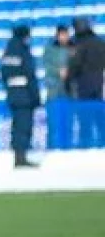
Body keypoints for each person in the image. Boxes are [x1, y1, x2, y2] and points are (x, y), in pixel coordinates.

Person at [0, 24, 41, 168]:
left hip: (12, 95)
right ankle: (21, 158)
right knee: (24, 126)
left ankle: (18, 155)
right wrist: (36, 97)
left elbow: (4, 74)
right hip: (25, 96)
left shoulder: (8, 51)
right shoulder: (23, 51)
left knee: (17, 126)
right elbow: (30, 74)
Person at [67, 16, 105, 148]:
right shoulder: (100, 42)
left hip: (83, 84)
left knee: (85, 119)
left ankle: (86, 145)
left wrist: (68, 78)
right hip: (99, 83)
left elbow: (75, 64)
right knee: (100, 117)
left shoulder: (78, 43)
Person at [41, 24, 70, 104]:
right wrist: (58, 71)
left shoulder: (72, 47)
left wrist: (69, 71)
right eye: (62, 35)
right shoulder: (49, 48)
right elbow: (46, 65)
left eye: (66, 35)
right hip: (53, 85)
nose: (64, 37)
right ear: (57, 36)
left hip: (68, 85)